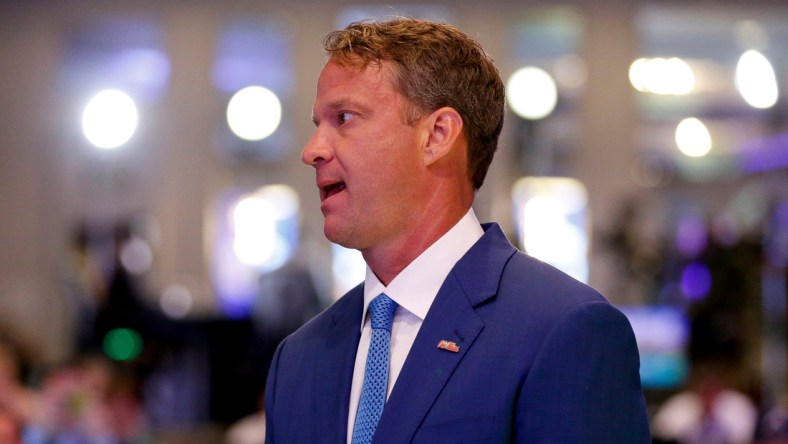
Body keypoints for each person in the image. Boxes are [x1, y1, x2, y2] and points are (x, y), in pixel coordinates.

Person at [264, 17, 650, 443]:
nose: (312, 150)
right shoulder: (298, 359)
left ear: (437, 135)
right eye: (317, 124)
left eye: (345, 118)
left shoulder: (563, 330)